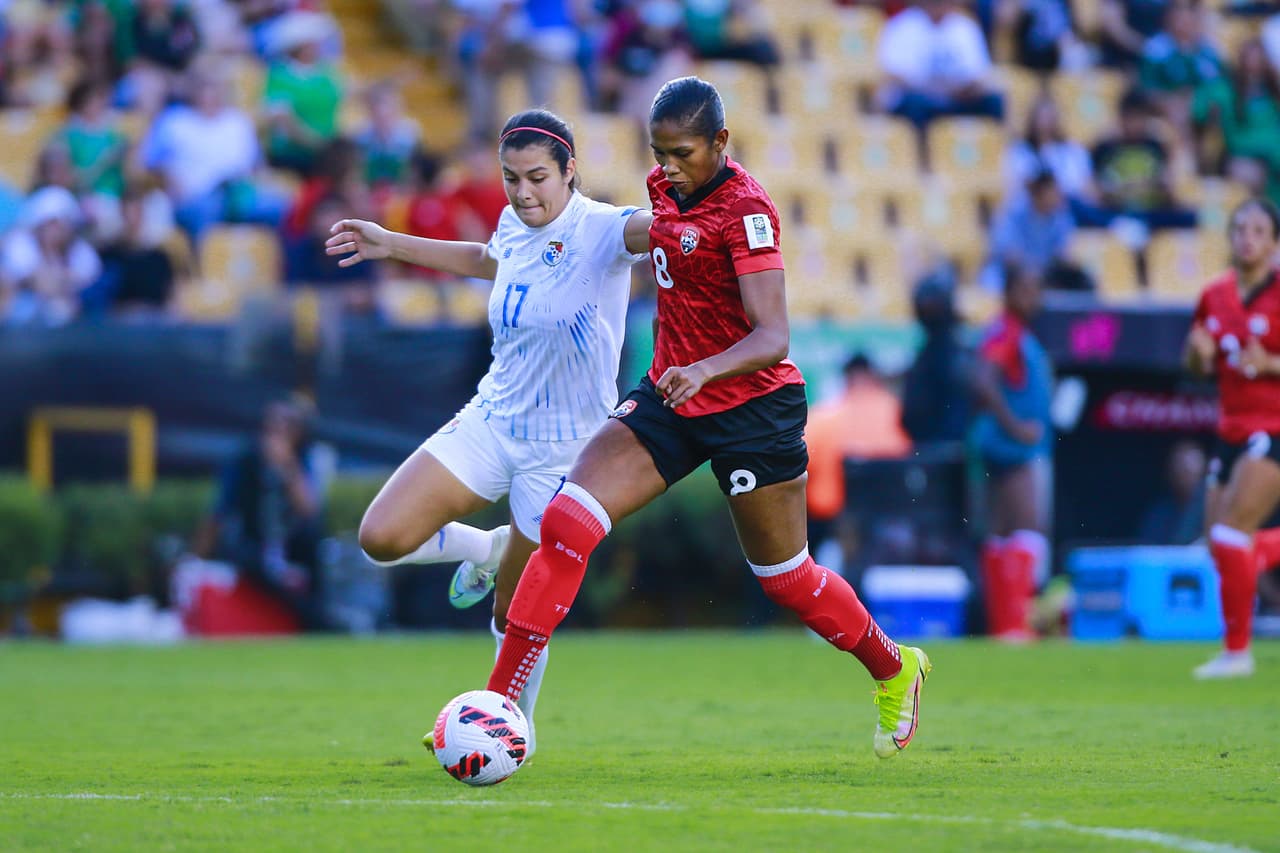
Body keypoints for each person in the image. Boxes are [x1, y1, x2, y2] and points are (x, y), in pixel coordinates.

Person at [484, 77, 932, 762]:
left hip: (750, 406)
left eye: (683, 153)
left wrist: (705, 367)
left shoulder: (747, 212)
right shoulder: (665, 188)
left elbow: (772, 334)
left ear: (721, 143)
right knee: (566, 521)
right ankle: (497, 710)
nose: (667, 166)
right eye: (659, 151)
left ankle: (894, 666)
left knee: (786, 578)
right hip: (672, 396)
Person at [325, 109, 652, 745]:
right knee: (381, 537)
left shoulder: (604, 229)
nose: (523, 192)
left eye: (536, 178)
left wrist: (705, 217)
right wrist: (390, 243)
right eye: (511, 178)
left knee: (516, 616)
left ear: (569, 172)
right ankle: (487, 547)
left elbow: (654, 229)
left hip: (564, 453)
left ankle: (509, 730)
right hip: (492, 419)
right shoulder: (512, 220)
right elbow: (490, 257)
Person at [1184, 197, 1280, 679]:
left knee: (1229, 534)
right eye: (1240, 228)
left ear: (1274, 241)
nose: (1248, 238)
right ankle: (1265, 553)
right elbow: (1196, 365)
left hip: (1274, 427)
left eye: (1259, 230)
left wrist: (1271, 365)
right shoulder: (1214, 294)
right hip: (1230, 428)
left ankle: (1237, 653)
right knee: (1219, 547)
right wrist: (1198, 356)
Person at [192, 400, 329, 630]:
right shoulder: (245, 460)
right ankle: (303, 617)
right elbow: (220, 511)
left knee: (313, 551)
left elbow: (309, 508)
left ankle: (314, 620)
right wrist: (196, 557)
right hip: (255, 546)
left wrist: (287, 467)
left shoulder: (304, 459)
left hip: (293, 546)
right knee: (251, 561)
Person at [972, 264, 1053, 640]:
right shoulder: (1007, 332)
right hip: (1013, 449)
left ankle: (1004, 624)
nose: (1034, 297)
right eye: (1027, 288)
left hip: (1000, 446)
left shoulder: (1013, 332)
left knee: (1002, 533)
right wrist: (1015, 426)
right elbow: (983, 380)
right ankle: (1017, 623)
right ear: (1009, 292)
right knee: (1028, 527)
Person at [805, 353, 911, 561]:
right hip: (888, 520)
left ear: (847, 378)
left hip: (831, 520)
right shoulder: (898, 413)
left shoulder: (824, 417)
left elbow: (799, 464)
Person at [1136, 439, 1206, 545]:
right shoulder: (1159, 514)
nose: (1184, 476)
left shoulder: (1213, 510)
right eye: (1179, 469)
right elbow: (1147, 550)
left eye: (1189, 472)